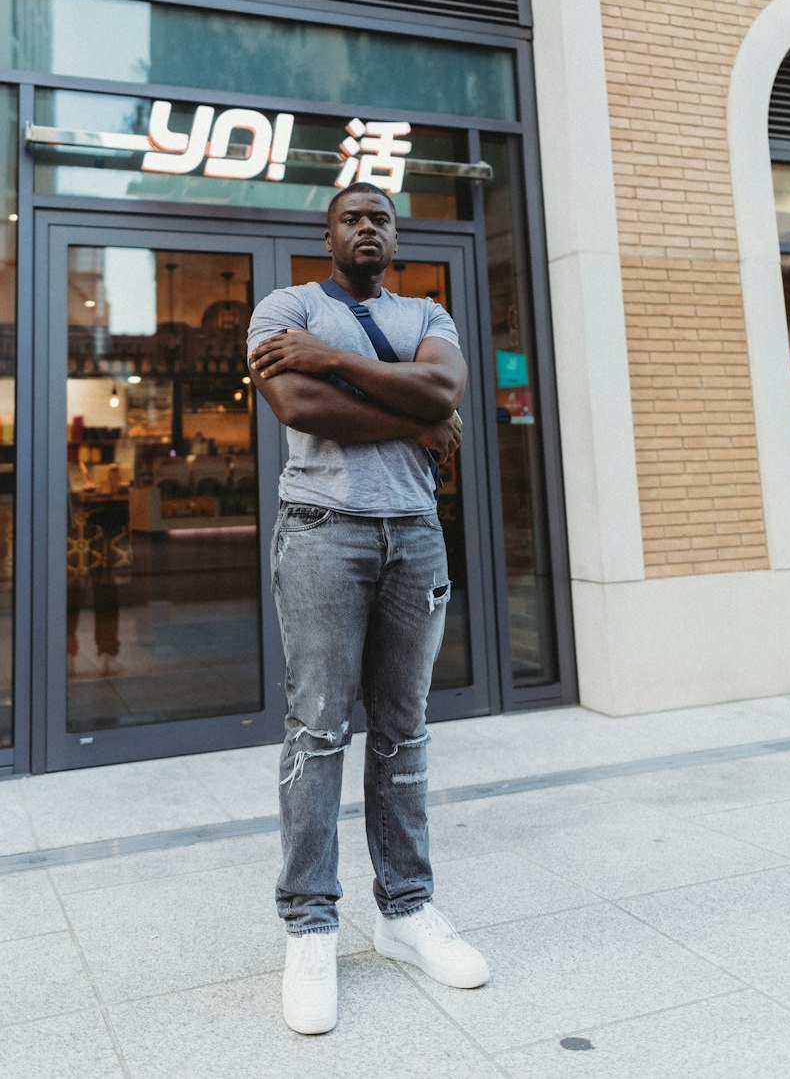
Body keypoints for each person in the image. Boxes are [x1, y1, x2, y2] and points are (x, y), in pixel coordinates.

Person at [247, 180, 489, 1036]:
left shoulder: (430, 315)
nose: (366, 228)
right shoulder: (283, 306)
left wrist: (336, 360)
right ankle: (310, 923)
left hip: (414, 535)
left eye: (380, 218)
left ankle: (405, 912)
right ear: (328, 234)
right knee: (316, 727)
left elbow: (444, 395)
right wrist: (411, 411)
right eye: (351, 218)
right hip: (322, 530)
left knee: (405, 726)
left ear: (397, 233)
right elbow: (300, 405)